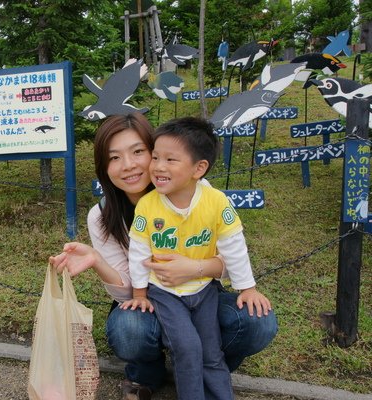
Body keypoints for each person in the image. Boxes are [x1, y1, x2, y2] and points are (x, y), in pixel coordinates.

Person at [49, 112, 277, 400]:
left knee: (258, 321)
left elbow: (229, 257)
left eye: (138, 152)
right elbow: (128, 296)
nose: (128, 165)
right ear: (103, 166)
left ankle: (207, 370)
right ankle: (148, 375)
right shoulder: (102, 215)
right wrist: (97, 260)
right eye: (114, 157)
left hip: (201, 291)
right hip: (153, 299)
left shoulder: (198, 192)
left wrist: (194, 268)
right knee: (129, 327)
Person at [122, 116, 258, 400]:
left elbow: (234, 245)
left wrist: (248, 288)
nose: (158, 166)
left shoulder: (216, 202)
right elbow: (138, 252)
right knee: (187, 347)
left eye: (171, 160)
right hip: (164, 292)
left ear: (199, 168)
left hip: (204, 290)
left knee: (210, 351)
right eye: (156, 157)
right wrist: (140, 292)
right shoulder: (148, 205)